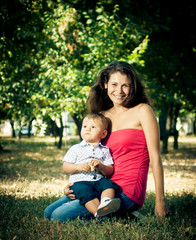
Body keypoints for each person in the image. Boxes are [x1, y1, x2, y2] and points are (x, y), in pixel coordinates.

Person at [44, 61, 168, 223]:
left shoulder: (142, 111)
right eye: (114, 84)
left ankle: (122, 216)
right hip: (101, 186)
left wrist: (160, 201)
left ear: (133, 87)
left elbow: (155, 157)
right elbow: (94, 157)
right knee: (48, 212)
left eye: (125, 85)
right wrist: (77, 185)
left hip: (128, 191)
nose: (119, 91)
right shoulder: (102, 116)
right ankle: (119, 216)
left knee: (58, 216)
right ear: (105, 84)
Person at [63, 113, 121, 218]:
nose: (87, 129)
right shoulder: (76, 148)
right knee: (85, 192)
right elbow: (65, 166)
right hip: (80, 182)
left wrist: (101, 166)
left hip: (98, 180)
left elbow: (110, 171)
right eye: (84, 126)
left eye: (93, 127)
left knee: (108, 184)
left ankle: (106, 202)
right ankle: (98, 214)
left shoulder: (105, 150)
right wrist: (78, 167)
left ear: (103, 134)